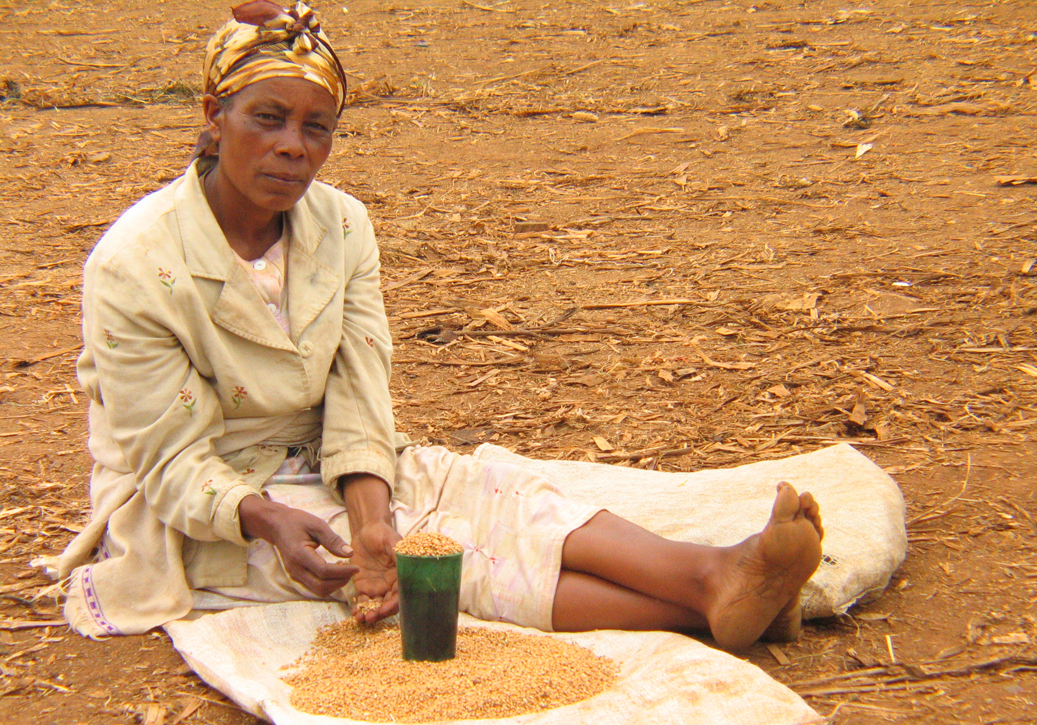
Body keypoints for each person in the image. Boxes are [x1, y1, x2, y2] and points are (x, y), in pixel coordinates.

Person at [58, 0, 824, 652]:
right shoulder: (135, 264)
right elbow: (165, 460)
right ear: (214, 119)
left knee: (489, 492)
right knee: (455, 563)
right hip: (211, 500)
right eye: (268, 118)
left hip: (326, 454)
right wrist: (267, 520)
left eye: (317, 127)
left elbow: (358, 385)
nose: (294, 147)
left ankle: (714, 573)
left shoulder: (341, 226)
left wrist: (369, 515)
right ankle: (705, 611)